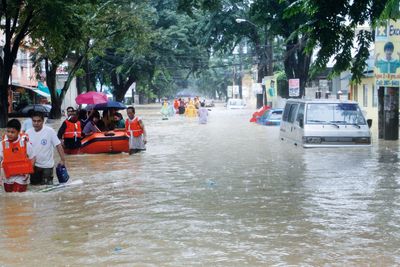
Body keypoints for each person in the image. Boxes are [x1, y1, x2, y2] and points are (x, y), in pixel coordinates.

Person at [26, 111, 66, 185]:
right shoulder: (28, 133)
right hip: (34, 166)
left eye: (38, 121)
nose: (36, 123)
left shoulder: (50, 131)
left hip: (47, 166)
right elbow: (25, 149)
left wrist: (62, 160)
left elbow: (58, 145)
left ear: (43, 121)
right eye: (34, 121)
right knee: (34, 187)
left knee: (47, 188)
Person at [0, 119, 35, 192]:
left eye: (12, 132)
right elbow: (1, 161)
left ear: (18, 132)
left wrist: (28, 172)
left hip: (21, 177)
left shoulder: (25, 143)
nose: (9, 134)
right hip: (7, 176)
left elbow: (33, 157)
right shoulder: (2, 143)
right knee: (9, 198)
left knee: (18, 196)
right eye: (8, 132)